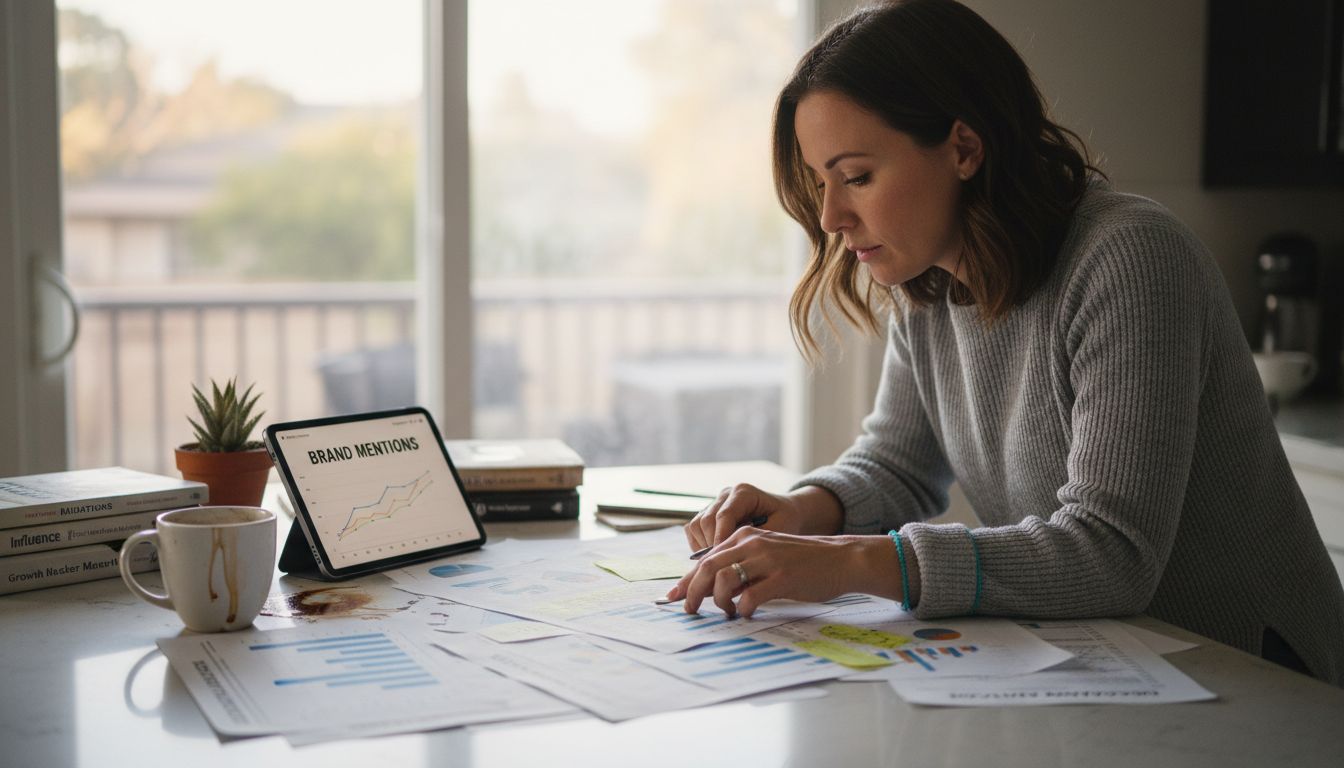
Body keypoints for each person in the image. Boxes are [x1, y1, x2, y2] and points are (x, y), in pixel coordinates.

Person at [663, 0, 1344, 687]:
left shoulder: (1131, 257)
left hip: (1257, 677)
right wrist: (805, 511)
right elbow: (900, 463)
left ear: (963, 148)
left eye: (858, 177)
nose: (833, 217)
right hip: (1116, 665)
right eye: (820, 184)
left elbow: (1111, 554)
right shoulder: (928, 282)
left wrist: (847, 561)